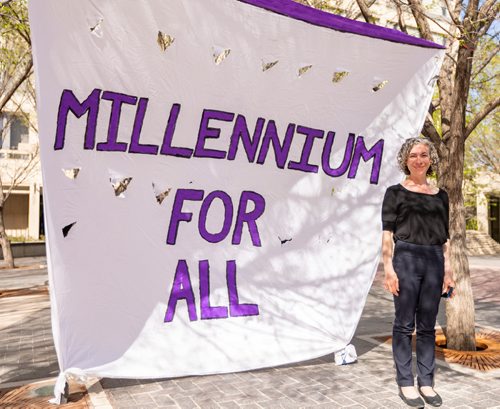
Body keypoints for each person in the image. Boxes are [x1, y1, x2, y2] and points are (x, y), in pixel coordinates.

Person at [381, 137, 455, 408]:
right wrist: (389, 268)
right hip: (407, 259)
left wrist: (448, 270)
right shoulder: (394, 193)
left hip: (434, 260)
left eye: (424, 154)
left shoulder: (441, 196)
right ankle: (405, 383)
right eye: (413, 155)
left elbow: (445, 238)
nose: (419, 159)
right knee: (403, 325)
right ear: (405, 160)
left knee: (427, 326)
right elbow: (387, 234)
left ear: (430, 159)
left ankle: (426, 381)